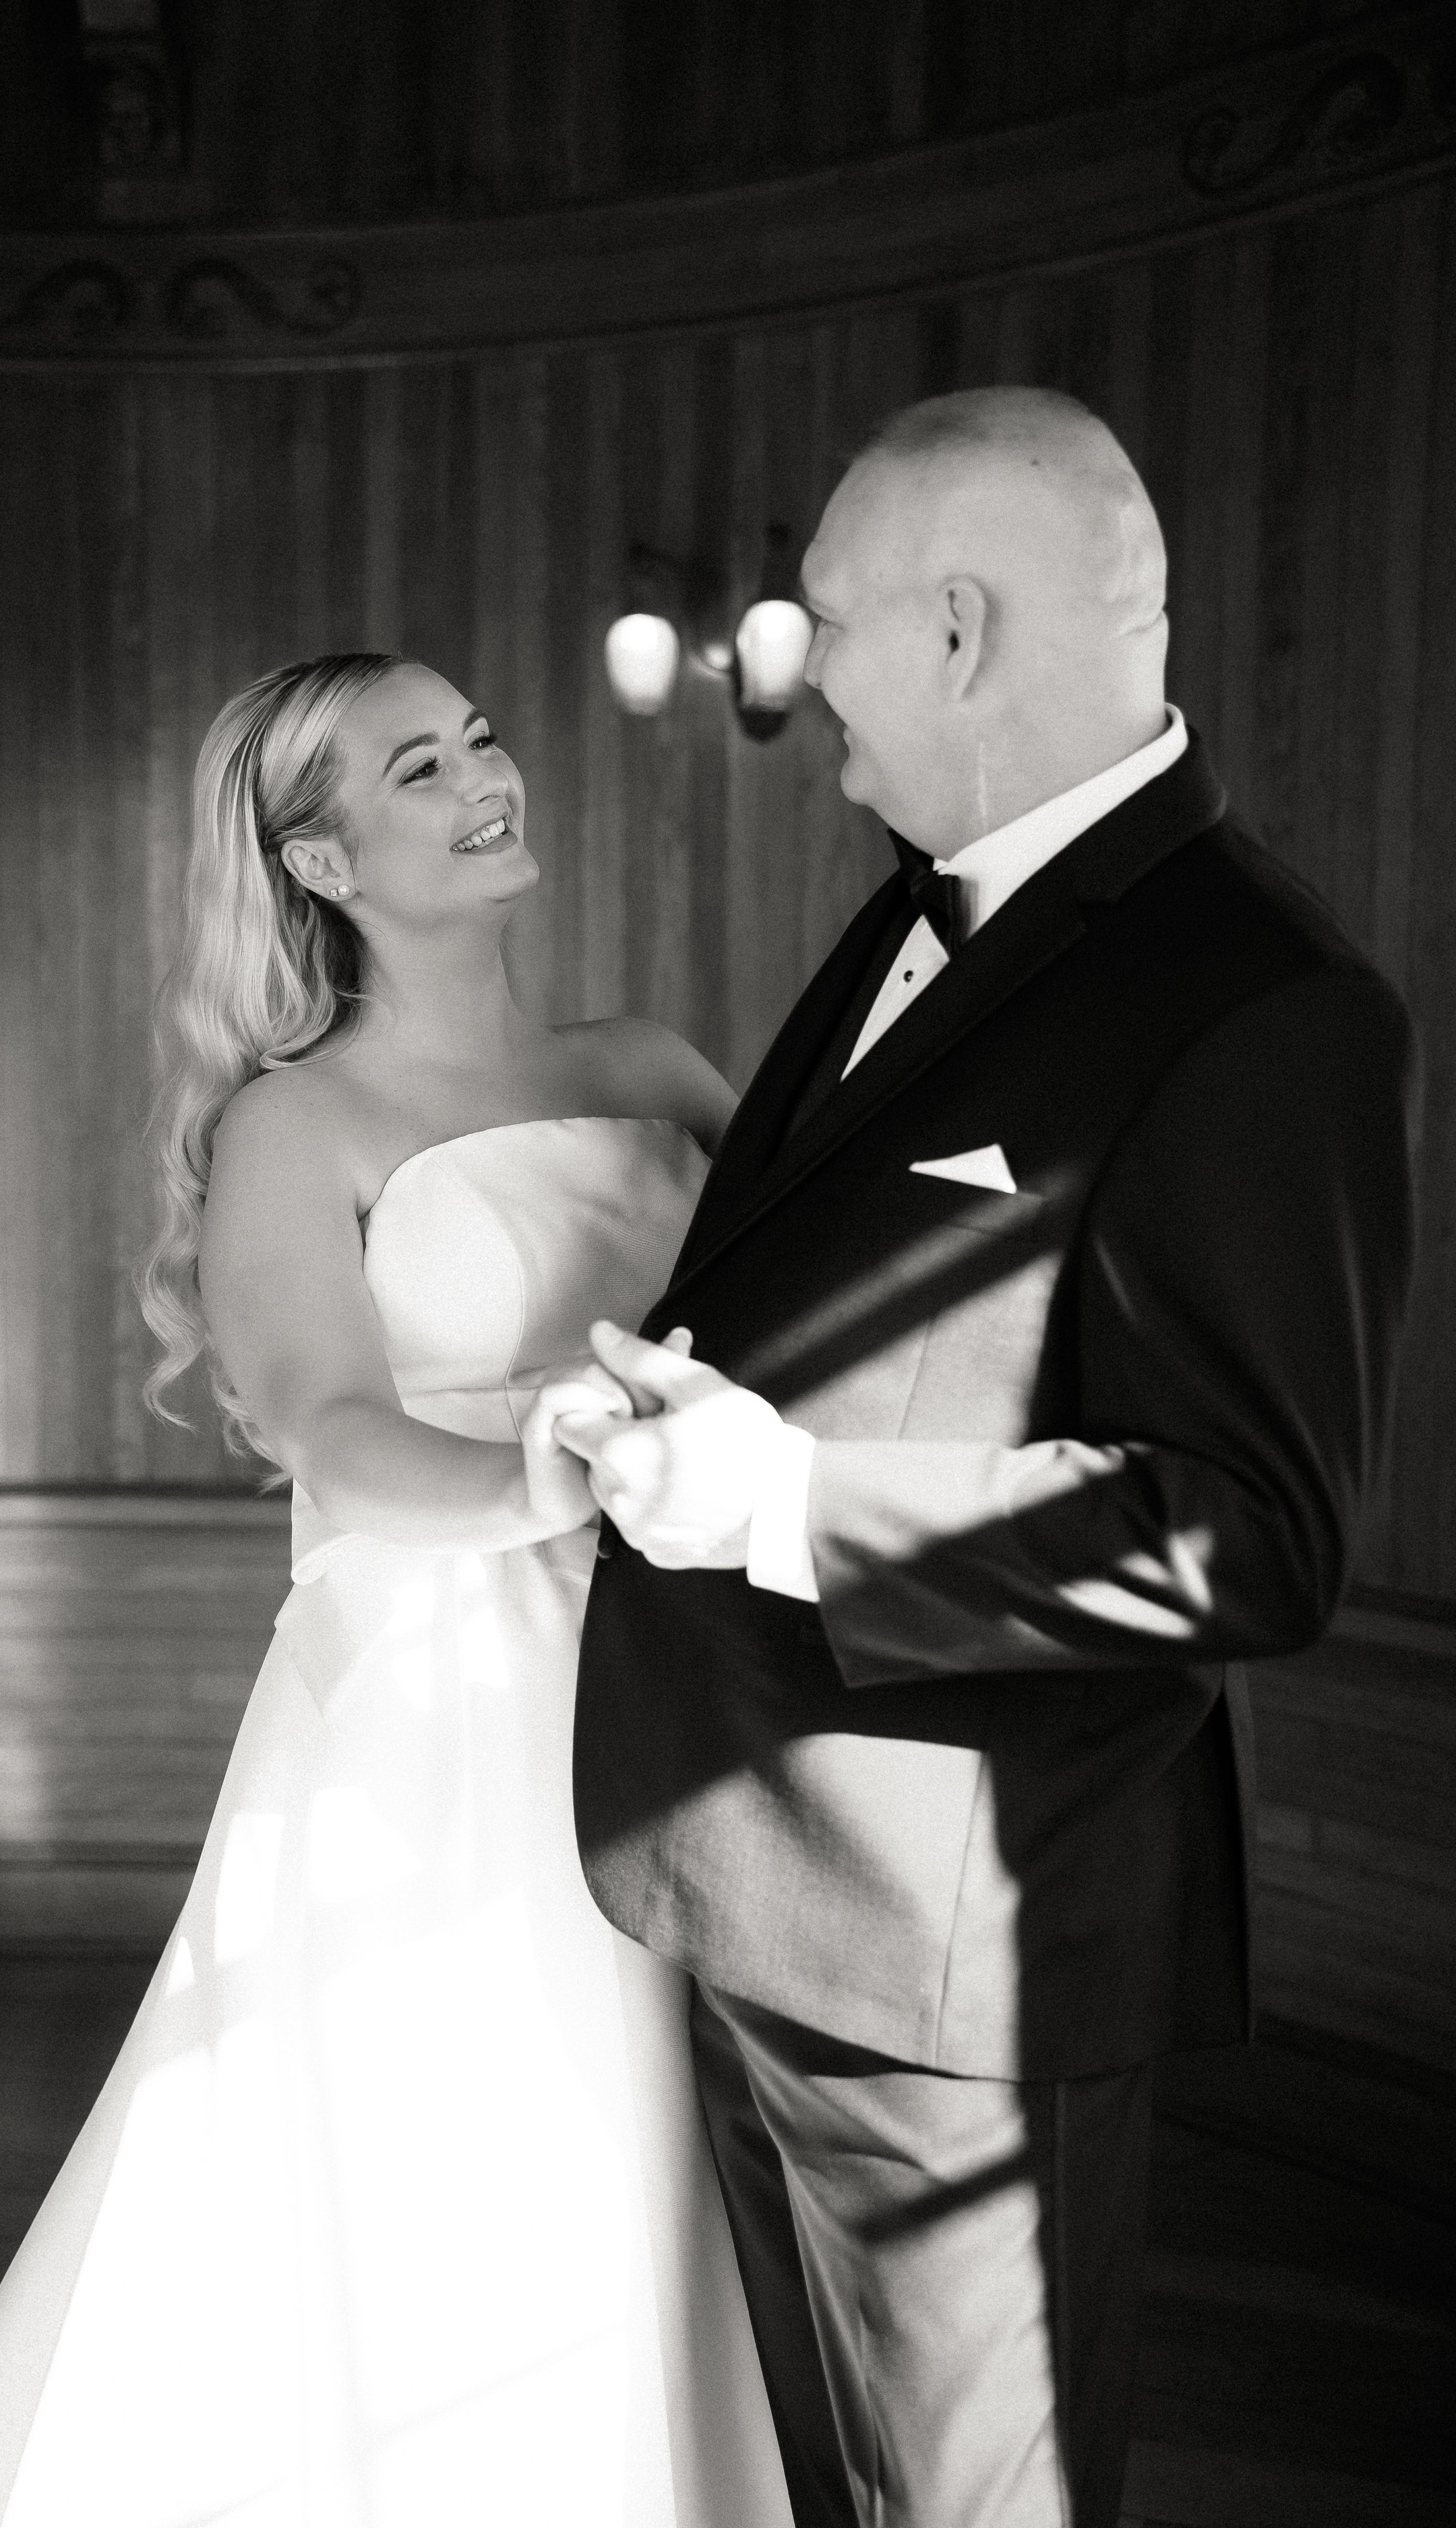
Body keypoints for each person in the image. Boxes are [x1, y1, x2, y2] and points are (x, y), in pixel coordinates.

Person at [556, 388, 1418, 2528]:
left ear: (952, 631)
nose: (803, 656)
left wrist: (779, 1508)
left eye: (824, 613)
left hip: (954, 1963)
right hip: (754, 1878)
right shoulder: (914, 906)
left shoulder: (1260, 1002)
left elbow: (1254, 1533)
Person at [0, 652, 794, 2528]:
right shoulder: (294, 1123)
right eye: (416, 766)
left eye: (480, 738)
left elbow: (828, 1303)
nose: (485, 777)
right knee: (448, 2117)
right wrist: (548, 1468)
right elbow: (325, 1428)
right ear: (317, 855)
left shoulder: (644, 1069)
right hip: (431, 1694)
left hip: (679, 1647)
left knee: (642, 2139)